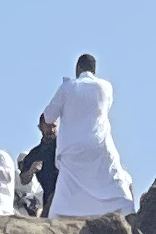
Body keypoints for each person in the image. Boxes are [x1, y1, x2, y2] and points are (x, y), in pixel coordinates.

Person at [33, 54, 133, 221]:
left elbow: (49, 117)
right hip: (99, 143)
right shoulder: (106, 86)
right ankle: (127, 210)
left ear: (78, 68)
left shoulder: (67, 87)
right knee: (110, 181)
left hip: (73, 147)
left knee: (67, 190)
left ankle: (57, 219)